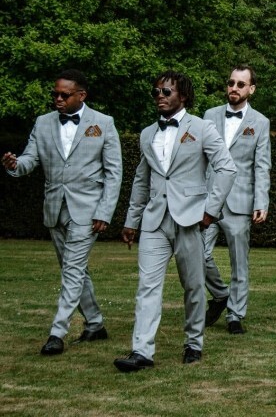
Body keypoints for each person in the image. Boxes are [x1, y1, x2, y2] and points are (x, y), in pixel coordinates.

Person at [114, 71, 237, 372]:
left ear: (183, 96)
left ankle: (194, 343)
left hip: (191, 219)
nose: (160, 96)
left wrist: (210, 210)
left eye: (166, 91)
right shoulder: (147, 133)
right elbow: (142, 179)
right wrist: (132, 220)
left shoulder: (203, 128)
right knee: (147, 286)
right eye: (156, 91)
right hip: (154, 221)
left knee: (193, 286)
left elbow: (227, 168)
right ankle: (141, 352)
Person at [2, 69, 122, 356]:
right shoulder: (43, 123)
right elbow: (30, 159)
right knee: (76, 270)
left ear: (81, 95)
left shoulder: (103, 123)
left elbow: (114, 173)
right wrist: (14, 165)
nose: (57, 98)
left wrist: (104, 212)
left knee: (72, 270)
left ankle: (57, 332)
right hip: (55, 209)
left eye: (64, 95)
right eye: (54, 94)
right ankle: (95, 324)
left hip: (88, 210)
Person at [202, 65, 271, 335]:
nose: (234, 88)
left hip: (240, 202)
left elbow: (261, 166)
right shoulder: (208, 116)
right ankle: (221, 295)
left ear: (251, 89)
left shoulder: (261, 122)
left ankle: (235, 314)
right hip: (207, 200)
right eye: (231, 82)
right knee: (197, 253)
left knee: (239, 261)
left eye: (241, 84)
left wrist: (260, 202)